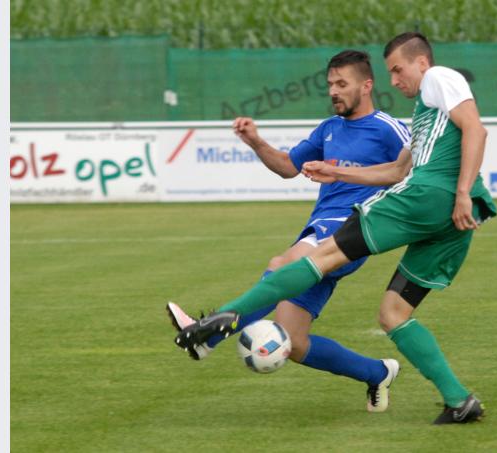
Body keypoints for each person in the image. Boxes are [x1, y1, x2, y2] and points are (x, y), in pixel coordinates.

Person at [174, 32, 497, 425]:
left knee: (313, 257)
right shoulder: (421, 122)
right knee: (392, 313)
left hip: (428, 197)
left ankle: (221, 321)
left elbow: (476, 130)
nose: (395, 80)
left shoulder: (437, 77)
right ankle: (458, 400)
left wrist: (461, 190)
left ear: (422, 63)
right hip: (451, 221)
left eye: (398, 70)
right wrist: (334, 170)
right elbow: (397, 169)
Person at [167, 50, 410, 413]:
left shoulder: (387, 128)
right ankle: (377, 373)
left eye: (342, 84)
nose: (334, 91)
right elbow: (287, 167)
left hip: (353, 226)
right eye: (330, 84)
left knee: (283, 263)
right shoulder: (328, 129)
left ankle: (208, 335)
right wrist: (255, 141)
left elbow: (412, 166)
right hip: (318, 227)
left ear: (367, 85)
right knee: (293, 342)